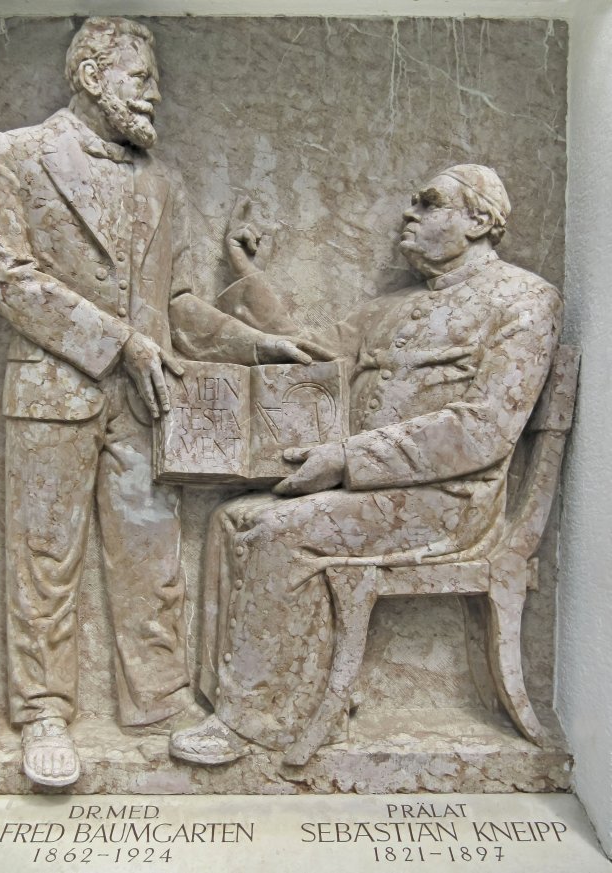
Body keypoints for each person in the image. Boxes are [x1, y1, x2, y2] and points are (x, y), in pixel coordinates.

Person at [0, 16, 317, 787]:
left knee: (152, 557)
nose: (155, 93)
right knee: (44, 557)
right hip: (52, 391)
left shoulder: (162, 183)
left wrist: (257, 344)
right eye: (141, 78)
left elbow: (180, 305)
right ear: (91, 77)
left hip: (146, 401)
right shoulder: (19, 154)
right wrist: (120, 341)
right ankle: (43, 712)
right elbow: (11, 280)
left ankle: (158, 700)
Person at [168, 164, 563, 765]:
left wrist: (347, 459)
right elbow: (310, 350)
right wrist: (246, 274)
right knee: (234, 519)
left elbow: (485, 428)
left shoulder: (525, 299)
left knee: (279, 531)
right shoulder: (391, 308)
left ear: (479, 221)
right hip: (373, 492)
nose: (410, 213)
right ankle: (288, 691)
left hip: (449, 503)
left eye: (428, 203)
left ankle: (257, 724)